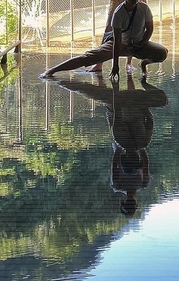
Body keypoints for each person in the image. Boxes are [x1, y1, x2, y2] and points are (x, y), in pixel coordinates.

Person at [52, 75, 168, 216]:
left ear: (124, 201)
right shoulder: (141, 182)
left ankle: (108, 84)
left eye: (128, 203)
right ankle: (116, 85)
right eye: (132, 203)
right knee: (115, 106)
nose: (130, 200)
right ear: (135, 202)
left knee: (113, 106)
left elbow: (118, 162)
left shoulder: (119, 184)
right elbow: (142, 159)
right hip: (126, 134)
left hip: (123, 137)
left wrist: (125, 144)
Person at [40, 0, 167, 79]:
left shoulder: (144, 8)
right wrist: (115, 65)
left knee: (162, 52)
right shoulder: (118, 13)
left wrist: (141, 44)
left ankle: (144, 63)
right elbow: (117, 41)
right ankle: (52, 70)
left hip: (139, 44)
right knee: (88, 58)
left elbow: (149, 29)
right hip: (119, 44)